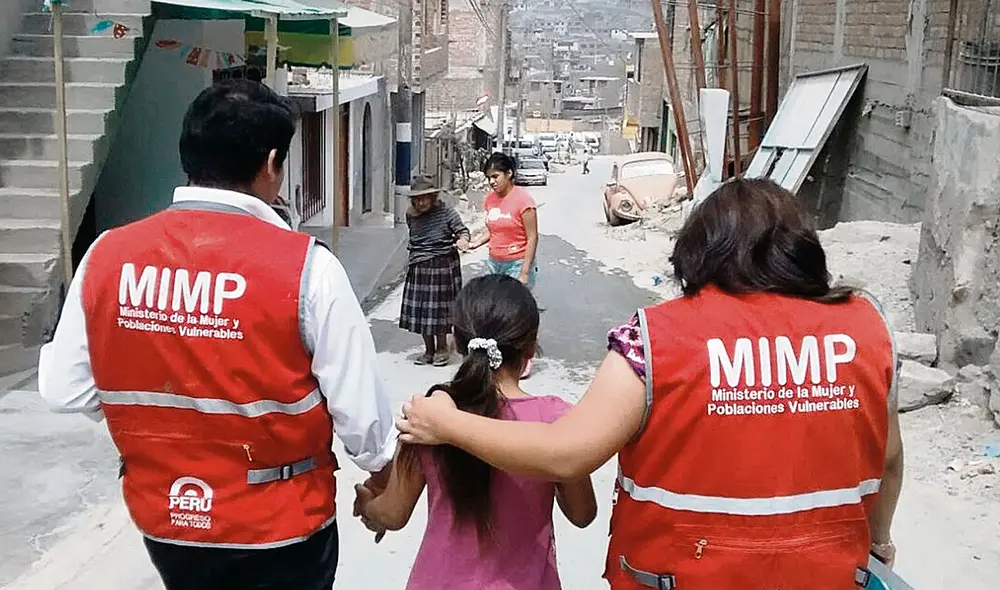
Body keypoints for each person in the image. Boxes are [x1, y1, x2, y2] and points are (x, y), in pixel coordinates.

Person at [395, 178, 904, 589]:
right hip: (827, 576)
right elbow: (887, 458)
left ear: (701, 251)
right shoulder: (866, 327)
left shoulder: (654, 339)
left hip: (676, 577)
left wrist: (448, 422)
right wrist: (878, 539)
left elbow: (567, 453)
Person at [37, 79, 397, 590]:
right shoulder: (307, 270)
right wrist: (385, 479)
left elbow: (64, 389)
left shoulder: (106, 255)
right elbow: (363, 419)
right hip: (281, 527)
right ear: (272, 163)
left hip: (167, 522)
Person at [355, 274, 597, 589]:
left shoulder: (430, 416)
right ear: (531, 344)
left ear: (457, 340)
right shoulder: (555, 420)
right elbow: (582, 513)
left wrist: (368, 506)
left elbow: (393, 513)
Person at [465, 152, 540, 377]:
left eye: (496, 176)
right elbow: (493, 228)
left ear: (509, 174)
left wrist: (525, 271)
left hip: (517, 262)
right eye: (489, 177)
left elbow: (533, 237)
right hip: (494, 262)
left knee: (519, 311)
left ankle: (526, 356)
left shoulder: (524, 201)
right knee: (494, 310)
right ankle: (500, 354)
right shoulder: (490, 200)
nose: (492, 181)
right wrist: (475, 242)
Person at [400, 175, 471, 367]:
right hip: (420, 266)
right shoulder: (410, 214)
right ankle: (428, 350)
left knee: (440, 311)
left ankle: (441, 349)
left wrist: (463, 240)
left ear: (433, 197)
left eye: (425, 197)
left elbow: (462, 231)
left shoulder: (447, 213)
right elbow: (415, 237)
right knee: (423, 311)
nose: (421, 202)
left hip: (443, 266)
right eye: (417, 198)